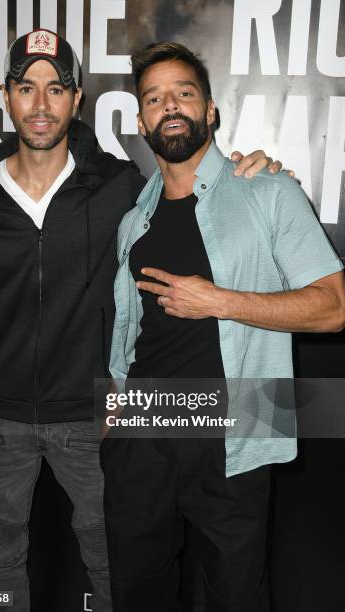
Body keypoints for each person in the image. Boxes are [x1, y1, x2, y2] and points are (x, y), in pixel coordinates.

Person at [0, 29, 284, 612]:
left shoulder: (119, 185)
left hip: (92, 416)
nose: (41, 104)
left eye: (57, 89)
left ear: (77, 100)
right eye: (27, 88)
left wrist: (262, 172)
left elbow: (193, 180)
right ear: (7, 98)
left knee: (113, 561)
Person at [101, 41, 345, 612]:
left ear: (210, 110)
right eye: (155, 98)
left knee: (236, 596)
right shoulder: (134, 219)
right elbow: (128, 333)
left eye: (184, 93)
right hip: (142, 430)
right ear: (140, 121)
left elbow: (333, 307)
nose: (171, 106)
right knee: (137, 592)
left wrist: (219, 301)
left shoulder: (269, 191)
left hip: (240, 419)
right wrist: (114, 415)